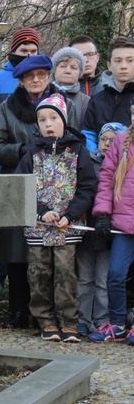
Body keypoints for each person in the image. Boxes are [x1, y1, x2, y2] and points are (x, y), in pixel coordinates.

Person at [0, 54, 77, 329]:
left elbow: (74, 136)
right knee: (19, 253)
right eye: (30, 76)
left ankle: (55, 316)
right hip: (20, 181)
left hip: (58, 186)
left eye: (42, 74)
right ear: (21, 79)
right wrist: (23, 149)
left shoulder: (63, 103)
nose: (36, 80)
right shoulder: (8, 106)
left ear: (49, 77)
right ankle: (20, 311)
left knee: (57, 255)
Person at [15, 94, 97, 342]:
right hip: (38, 228)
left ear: (64, 120)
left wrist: (70, 214)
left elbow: (87, 187)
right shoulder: (32, 153)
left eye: (53, 118)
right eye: (42, 120)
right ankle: (46, 321)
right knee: (39, 274)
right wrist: (40, 210)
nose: (48, 124)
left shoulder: (78, 151)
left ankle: (69, 321)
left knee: (65, 273)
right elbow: (21, 187)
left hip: (66, 227)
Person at [76, 122, 127, 336]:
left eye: (111, 139)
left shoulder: (122, 164)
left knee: (104, 280)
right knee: (84, 278)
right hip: (88, 229)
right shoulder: (87, 162)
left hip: (110, 231)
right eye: (103, 139)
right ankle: (82, 319)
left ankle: (102, 319)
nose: (107, 143)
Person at [90, 100, 134, 344]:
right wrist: (103, 212)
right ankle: (117, 323)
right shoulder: (122, 141)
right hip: (124, 223)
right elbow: (106, 178)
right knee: (115, 274)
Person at [0, 27, 40, 124]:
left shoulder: (43, 81)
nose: (29, 56)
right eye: (24, 51)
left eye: (33, 51)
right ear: (13, 51)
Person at [82, 37, 134, 135]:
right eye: (118, 61)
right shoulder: (97, 100)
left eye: (130, 60)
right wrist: (94, 151)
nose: (124, 66)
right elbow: (88, 134)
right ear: (109, 65)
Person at [51, 47, 90, 130]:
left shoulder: (86, 102)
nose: (67, 71)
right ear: (54, 70)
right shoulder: (43, 95)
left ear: (80, 73)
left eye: (73, 67)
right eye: (63, 66)